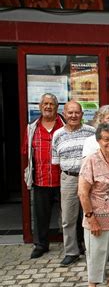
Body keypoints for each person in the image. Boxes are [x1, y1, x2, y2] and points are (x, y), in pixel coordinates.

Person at [78, 123, 109, 287]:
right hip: (98, 219)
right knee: (96, 253)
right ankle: (92, 285)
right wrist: (90, 218)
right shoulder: (91, 161)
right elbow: (82, 193)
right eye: (106, 139)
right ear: (99, 140)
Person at [52, 101, 96, 267]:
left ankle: (92, 250)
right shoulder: (57, 135)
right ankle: (71, 252)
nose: (73, 116)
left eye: (77, 112)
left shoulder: (91, 133)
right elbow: (56, 160)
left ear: (82, 114)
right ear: (64, 113)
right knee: (68, 218)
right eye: (70, 113)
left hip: (90, 179)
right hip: (69, 178)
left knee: (91, 214)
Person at [24, 93, 65, 259]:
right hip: (41, 179)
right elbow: (26, 151)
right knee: (41, 216)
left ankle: (74, 244)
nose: (48, 107)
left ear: (57, 107)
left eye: (51, 104)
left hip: (63, 179)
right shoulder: (32, 128)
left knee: (70, 216)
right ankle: (41, 245)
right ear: (40, 107)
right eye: (45, 104)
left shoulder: (64, 126)